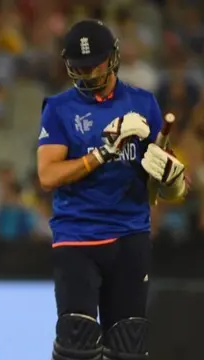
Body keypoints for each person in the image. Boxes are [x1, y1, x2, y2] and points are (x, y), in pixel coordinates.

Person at [37, 20, 187, 360]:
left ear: (113, 57)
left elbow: (166, 184)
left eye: (94, 65)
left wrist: (174, 180)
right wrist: (103, 153)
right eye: (79, 67)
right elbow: (48, 175)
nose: (87, 74)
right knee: (77, 341)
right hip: (77, 236)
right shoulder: (59, 109)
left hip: (129, 234)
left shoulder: (144, 104)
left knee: (128, 344)